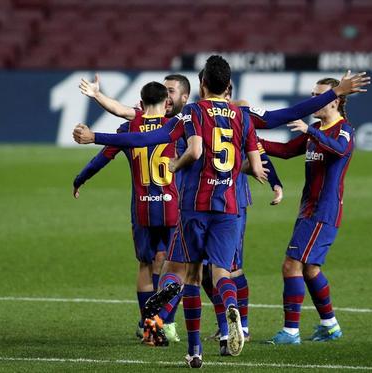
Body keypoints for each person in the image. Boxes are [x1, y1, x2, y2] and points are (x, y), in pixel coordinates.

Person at [75, 55, 268, 367]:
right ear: (228, 85)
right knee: (220, 272)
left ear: (201, 85)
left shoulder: (191, 113)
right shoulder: (241, 116)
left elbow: (151, 137)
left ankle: (189, 345)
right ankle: (231, 313)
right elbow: (258, 163)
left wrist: (95, 136)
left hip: (192, 206)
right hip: (229, 208)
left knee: (179, 273)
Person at [73, 81, 178, 346]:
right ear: (167, 101)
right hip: (171, 208)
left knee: (145, 264)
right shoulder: (177, 126)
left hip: (142, 207)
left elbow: (103, 157)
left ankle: (148, 328)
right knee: (169, 265)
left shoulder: (129, 127)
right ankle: (163, 323)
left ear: (141, 104)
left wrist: (80, 179)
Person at [261, 76, 360, 345]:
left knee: (291, 264)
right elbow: (282, 150)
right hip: (309, 210)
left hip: (322, 211)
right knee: (310, 269)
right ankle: (330, 326)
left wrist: (310, 131)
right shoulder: (315, 129)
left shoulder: (344, 130)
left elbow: (340, 150)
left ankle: (291, 332)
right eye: (313, 94)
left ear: (335, 100)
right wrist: (250, 141)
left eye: (320, 95)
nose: (314, 100)